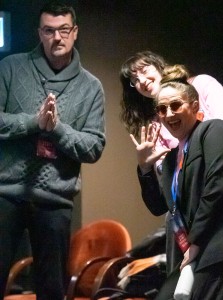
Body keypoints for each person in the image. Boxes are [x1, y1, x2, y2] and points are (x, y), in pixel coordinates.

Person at [0, 1, 106, 299]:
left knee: (52, 288)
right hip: (6, 193)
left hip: (55, 200)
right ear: (40, 33)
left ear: (74, 32)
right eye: (49, 31)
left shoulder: (91, 87)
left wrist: (56, 128)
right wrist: (35, 122)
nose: (56, 37)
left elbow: (94, 146)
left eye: (63, 30)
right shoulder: (10, 67)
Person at [130, 68, 223, 300]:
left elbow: (217, 186)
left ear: (195, 106)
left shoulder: (214, 130)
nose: (168, 114)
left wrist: (195, 242)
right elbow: (159, 206)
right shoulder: (171, 159)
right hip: (197, 246)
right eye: (162, 109)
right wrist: (145, 169)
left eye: (176, 105)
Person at [120, 51, 223, 188]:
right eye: (135, 80)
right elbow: (166, 170)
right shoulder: (156, 123)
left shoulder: (202, 84)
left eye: (144, 70)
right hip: (193, 196)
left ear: (158, 66)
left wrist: (185, 160)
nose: (141, 81)